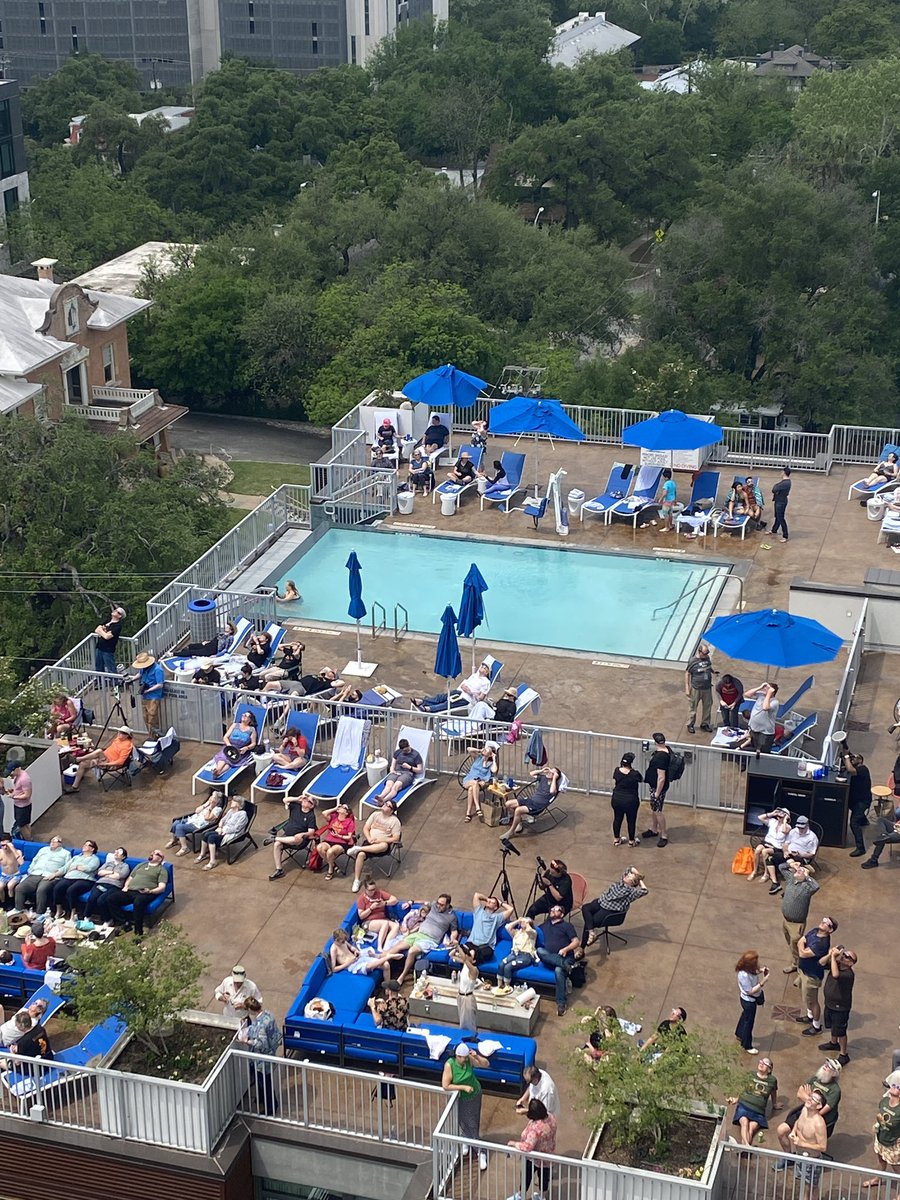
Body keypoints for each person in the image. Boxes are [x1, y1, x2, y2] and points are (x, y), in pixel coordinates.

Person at [93, 849, 168, 936]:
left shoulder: (161, 870)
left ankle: (138, 932)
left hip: (145, 892)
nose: (153, 853)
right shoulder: (141, 865)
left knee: (138, 903)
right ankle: (124, 922)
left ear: (160, 859)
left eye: (156, 854)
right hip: (130, 891)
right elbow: (130, 878)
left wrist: (150, 891)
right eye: (153, 852)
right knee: (111, 899)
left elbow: (162, 887)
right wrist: (126, 886)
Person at [442, 1043, 491, 1170]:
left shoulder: (469, 1059)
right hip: (461, 1097)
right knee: (461, 1120)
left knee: (473, 1123)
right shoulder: (450, 1065)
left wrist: (477, 1057)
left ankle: (480, 1151)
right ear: (457, 1056)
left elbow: (486, 1064)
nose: (464, 1060)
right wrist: (463, 1087)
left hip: (474, 1095)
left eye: (465, 1057)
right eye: (462, 1058)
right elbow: (446, 1085)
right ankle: (466, 1139)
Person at [775, 1060, 842, 1151]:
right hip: (806, 1110)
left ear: (834, 1073)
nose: (826, 1066)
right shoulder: (815, 1078)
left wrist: (809, 1097)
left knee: (802, 1136)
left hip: (820, 1117)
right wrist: (811, 1100)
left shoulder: (835, 1090)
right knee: (781, 1131)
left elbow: (822, 1110)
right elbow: (799, 1093)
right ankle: (788, 1157)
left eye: (830, 1066)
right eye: (826, 1063)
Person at [396, 893, 459, 984]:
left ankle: (401, 977)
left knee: (411, 951)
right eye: (438, 903)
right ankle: (380, 964)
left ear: (448, 905)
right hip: (418, 934)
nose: (438, 905)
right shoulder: (433, 905)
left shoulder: (451, 917)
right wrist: (411, 902)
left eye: (441, 905)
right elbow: (424, 902)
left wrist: (453, 939)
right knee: (396, 947)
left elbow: (454, 931)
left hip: (430, 939)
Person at [581, 866, 648, 949]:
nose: (627, 875)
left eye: (629, 877)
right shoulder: (621, 882)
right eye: (628, 875)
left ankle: (581, 949)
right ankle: (591, 933)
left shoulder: (631, 892)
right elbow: (630, 868)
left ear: (632, 883)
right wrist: (638, 874)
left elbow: (645, 891)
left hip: (608, 910)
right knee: (585, 908)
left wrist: (639, 879)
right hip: (601, 902)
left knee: (590, 922)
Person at [238, 995, 282, 1116]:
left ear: (251, 1010)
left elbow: (261, 1043)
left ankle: (271, 1107)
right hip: (270, 1054)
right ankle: (262, 1098)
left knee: (265, 1082)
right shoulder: (268, 1014)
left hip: (262, 1058)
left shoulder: (260, 1025)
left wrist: (246, 1041)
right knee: (261, 1080)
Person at [796, 916, 838, 1038]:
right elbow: (801, 941)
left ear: (830, 930)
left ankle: (816, 1026)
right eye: (823, 921)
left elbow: (802, 953)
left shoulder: (822, 943)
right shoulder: (815, 931)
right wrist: (802, 945)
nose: (823, 923)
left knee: (812, 1001)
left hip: (812, 976)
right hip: (804, 971)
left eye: (827, 924)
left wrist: (802, 946)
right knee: (807, 998)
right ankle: (810, 1016)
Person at [507, 1097, 557, 1198]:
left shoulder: (535, 1129)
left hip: (533, 1158)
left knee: (526, 1176)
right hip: (547, 1156)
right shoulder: (551, 1117)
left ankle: (520, 1196)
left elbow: (527, 1147)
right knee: (544, 1177)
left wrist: (514, 1144)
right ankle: (542, 1196)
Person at [348, 799, 401, 890]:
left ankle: (358, 848)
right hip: (369, 842)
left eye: (388, 806)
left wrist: (380, 840)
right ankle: (356, 880)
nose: (385, 805)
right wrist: (369, 838)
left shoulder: (395, 821)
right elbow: (366, 828)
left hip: (381, 845)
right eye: (385, 803)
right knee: (360, 855)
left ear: (392, 810)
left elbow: (396, 838)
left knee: (383, 846)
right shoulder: (375, 814)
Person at [63, 725, 135, 793]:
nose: (120, 734)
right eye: (120, 732)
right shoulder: (118, 739)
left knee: (99, 751)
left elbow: (120, 762)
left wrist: (106, 763)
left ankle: (78, 759)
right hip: (103, 758)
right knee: (83, 764)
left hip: (110, 764)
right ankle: (75, 787)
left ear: (127, 735)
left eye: (123, 733)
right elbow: (110, 750)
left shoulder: (127, 746)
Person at [11, 836, 72, 915]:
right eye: (51, 841)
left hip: (51, 876)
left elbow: (66, 867)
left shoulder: (66, 853)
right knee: (20, 888)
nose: (52, 842)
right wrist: (30, 871)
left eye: (55, 841)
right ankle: (19, 909)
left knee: (41, 890)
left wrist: (55, 874)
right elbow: (34, 860)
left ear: (60, 844)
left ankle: (40, 913)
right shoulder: (43, 850)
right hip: (35, 873)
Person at [538, 904, 580, 1017]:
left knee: (558, 970)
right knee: (540, 950)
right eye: (551, 909)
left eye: (555, 910)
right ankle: (566, 966)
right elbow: (532, 930)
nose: (552, 910)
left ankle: (561, 1003)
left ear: (561, 914)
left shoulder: (567, 926)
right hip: (548, 957)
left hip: (565, 957)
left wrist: (566, 949)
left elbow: (576, 942)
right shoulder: (544, 925)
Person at [778, 859, 820, 969]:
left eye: (803, 871)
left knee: (796, 946)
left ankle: (796, 965)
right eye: (799, 869)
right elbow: (781, 867)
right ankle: (795, 959)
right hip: (786, 920)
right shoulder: (791, 879)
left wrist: (807, 876)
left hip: (796, 924)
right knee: (790, 943)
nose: (799, 870)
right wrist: (791, 864)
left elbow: (816, 886)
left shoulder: (807, 887)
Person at [730, 1056, 780, 1147]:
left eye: (765, 1063)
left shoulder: (772, 1080)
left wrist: (775, 1104)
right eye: (761, 1061)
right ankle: (747, 1146)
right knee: (744, 1122)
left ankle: (743, 1148)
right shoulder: (750, 1075)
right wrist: (736, 1099)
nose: (761, 1063)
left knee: (751, 1128)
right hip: (744, 1106)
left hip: (758, 1111)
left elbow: (773, 1092)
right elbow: (742, 1089)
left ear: (769, 1070)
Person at [819, 944, 857, 1065]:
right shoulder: (837, 965)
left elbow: (835, 975)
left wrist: (834, 958)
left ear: (851, 963)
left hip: (840, 1008)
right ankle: (833, 1043)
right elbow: (821, 962)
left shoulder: (848, 974)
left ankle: (843, 1054)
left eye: (847, 957)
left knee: (840, 1031)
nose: (844, 956)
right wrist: (830, 955)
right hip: (829, 1003)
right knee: (832, 1026)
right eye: (844, 954)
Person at [266, 794, 318, 879]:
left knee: (297, 838)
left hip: (300, 841)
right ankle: (279, 870)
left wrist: (302, 834)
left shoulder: (311, 816)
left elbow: (311, 831)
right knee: (277, 845)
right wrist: (297, 798)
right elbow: (285, 800)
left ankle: (274, 838)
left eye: (308, 801)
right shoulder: (296, 806)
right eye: (305, 798)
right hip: (287, 837)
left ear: (311, 806)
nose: (305, 800)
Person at [503, 765, 561, 837]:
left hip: (537, 806)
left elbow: (552, 791)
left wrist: (554, 778)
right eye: (550, 770)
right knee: (508, 804)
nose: (549, 772)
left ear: (556, 776)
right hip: (531, 800)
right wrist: (542, 770)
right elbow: (531, 773)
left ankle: (511, 832)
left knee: (518, 810)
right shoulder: (543, 778)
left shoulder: (555, 786)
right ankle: (519, 822)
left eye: (552, 772)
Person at [194, 795, 249, 871]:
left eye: (233, 801)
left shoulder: (243, 815)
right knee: (205, 834)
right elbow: (223, 820)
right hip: (222, 830)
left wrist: (223, 830)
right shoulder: (230, 811)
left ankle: (212, 861)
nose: (231, 802)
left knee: (211, 838)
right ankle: (202, 854)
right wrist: (220, 827)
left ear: (238, 804)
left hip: (231, 834)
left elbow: (237, 828)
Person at [49, 839, 100, 919]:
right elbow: (65, 868)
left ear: (92, 849)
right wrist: (54, 874)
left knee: (71, 890)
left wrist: (76, 867)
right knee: (57, 888)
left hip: (85, 879)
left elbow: (89, 868)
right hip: (70, 877)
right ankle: (59, 910)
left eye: (87, 845)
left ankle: (73, 913)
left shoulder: (94, 859)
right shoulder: (76, 857)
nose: (84, 846)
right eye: (84, 844)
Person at [414, 662, 493, 714]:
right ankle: (422, 701)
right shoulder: (474, 675)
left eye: (484, 668)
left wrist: (470, 692)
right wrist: (463, 686)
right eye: (482, 666)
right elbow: (465, 683)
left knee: (448, 704)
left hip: (467, 699)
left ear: (487, 672)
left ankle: (428, 708)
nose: (482, 667)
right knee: (442, 697)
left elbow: (480, 699)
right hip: (460, 691)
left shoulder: (486, 682)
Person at [165, 792, 224, 858]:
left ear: (217, 800)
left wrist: (210, 807)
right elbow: (196, 811)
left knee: (179, 827)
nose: (211, 798)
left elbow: (207, 818)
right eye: (211, 796)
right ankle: (174, 840)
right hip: (192, 819)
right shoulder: (207, 804)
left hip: (198, 825)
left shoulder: (217, 809)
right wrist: (206, 804)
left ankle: (184, 848)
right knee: (176, 822)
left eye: (213, 797)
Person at [867, 1070, 900, 1187]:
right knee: (881, 1161)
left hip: (893, 1144)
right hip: (881, 1138)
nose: (893, 1087)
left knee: (897, 1170)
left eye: (897, 1087)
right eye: (894, 1085)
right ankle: (878, 1179)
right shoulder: (884, 1101)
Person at [79, 847, 130, 920]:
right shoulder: (108, 863)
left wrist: (106, 874)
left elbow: (120, 876)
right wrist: (111, 872)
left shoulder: (125, 866)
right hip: (101, 883)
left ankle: (107, 920)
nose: (116, 853)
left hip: (114, 886)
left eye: (119, 852)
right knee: (92, 898)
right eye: (116, 851)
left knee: (101, 900)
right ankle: (87, 917)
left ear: (123, 857)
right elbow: (99, 872)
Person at [463, 891, 514, 963]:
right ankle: (469, 959)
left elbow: (511, 909)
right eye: (489, 901)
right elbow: (476, 895)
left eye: (492, 902)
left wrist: (501, 904)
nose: (489, 902)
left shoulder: (497, 917)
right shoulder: (479, 912)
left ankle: (469, 959)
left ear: (496, 907)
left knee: (476, 954)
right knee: (459, 951)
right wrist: (487, 899)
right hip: (471, 943)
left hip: (485, 947)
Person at [735, 949, 769, 1054]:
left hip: (749, 1000)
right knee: (749, 1022)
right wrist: (762, 982)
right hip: (749, 1000)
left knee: (745, 1016)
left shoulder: (749, 970)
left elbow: (754, 972)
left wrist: (761, 970)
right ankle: (747, 1045)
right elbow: (750, 991)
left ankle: (740, 1033)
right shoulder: (743, 975)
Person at [493, 916, 538, 994]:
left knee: (508, 967)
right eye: (522, 922)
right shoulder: (517, 932)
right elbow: (507, 927)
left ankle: (506, 989)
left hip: (526, 955)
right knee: (501, 965)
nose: (523, 923)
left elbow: (529, 930)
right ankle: (499, 987)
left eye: (525, 922)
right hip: (514, 954)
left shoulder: (532, 934)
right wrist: (518, 921)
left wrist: (527, 923)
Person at [643, 732, 672, 847]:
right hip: (657, 787)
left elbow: (661, 778)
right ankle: (654, 829)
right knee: (654, 808)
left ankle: (663, 834)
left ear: (655, 742)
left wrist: (656, 793)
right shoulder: (667, 750)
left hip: (658, 788)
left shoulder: (661, 757)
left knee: (658, 811)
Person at [355, 877, 400, 951]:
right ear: (366, 889)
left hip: (382, 919)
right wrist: (371, 908)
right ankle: (380, 947)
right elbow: (361, 916)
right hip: (369, 922)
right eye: (371, 890)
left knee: (396, 926)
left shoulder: (379, 893)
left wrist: (384, 903)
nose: (373, 891)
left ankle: (386, 947)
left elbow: (395, 900)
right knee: (385, 923)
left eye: (374, 889)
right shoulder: (361, 899)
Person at [209, 710, 258, 779]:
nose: (244, 716)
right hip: (229, 747)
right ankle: (218, 770)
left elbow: (253, 743)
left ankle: (218, 771)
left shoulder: (252, 730)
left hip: (239, 751)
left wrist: (246, 748)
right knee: (224, 757)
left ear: (250, 720)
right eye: (243, 714)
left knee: (231, 760)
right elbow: (225, 737)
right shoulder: (235, 725)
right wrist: (229, 745)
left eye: (246, 716)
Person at [314, 803, 356, 880]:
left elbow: (349, 837)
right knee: (319, 847)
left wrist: (339, 836)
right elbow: (324, 813)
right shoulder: (333, 817)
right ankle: (333, 865)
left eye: (343, 807)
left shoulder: (349, 822)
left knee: (330, 852)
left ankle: (330, 869)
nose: (341, 807)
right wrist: (335, 808)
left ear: (346, 813)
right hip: (329, 840)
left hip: (342, 842)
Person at [128, 651, 165, 738]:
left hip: (153, 696)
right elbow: (140, 674)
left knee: (152, 718)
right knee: (146, 717)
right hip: (145, 696)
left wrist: (148, 690)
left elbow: (160, 684)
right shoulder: (144, 668)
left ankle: (154, 736)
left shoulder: (158, 669)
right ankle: (150, 735)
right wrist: (132, 679)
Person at [748, 808, 791, 882]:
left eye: (782, 816)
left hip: (777, 846)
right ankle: (755, 871)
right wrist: (772, 814)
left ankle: (766, 873)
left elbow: (784, 831)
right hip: (767, 842)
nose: (779, 817)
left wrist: (784, 821)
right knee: (757, 850)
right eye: (779, 815)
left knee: (765, 851)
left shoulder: (788, 827)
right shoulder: (772, 822)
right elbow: (760, 817)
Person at [843, 751, 873, 857]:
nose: (852, 759)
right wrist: (845, 752)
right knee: (851, 807)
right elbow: (847, 758)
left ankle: (861, 848)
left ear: (860, 760)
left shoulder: (863, 769)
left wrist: (846, 757)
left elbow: (850, 769)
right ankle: (864, 821)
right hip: (855, 800)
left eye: (855, 758)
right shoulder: (857, 768)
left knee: (854, 823)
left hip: (863, 801)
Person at [610, 752, 643, 846]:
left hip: (617, 799)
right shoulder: (634, 774)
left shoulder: (617, 771)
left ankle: (616, 839)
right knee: (631, 820)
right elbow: (641, 779)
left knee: (617, 819)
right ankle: (631, 841)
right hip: (630, 801)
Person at [379, 739, 424, 804]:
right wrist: (392, 770)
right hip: (396, 772)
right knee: (389, 785)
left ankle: (384, 800)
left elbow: (420, 770)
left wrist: (409, 767)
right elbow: (392, 765)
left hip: (408, 773)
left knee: (396, 786)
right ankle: (381, 796)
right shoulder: (398, 752)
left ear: (409, 746)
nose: (406, 752)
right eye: (404, 751)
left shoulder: (416, 755)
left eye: (407, 750)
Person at [462, 744, 499, 821]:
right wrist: (479, 750)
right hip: (469, 780)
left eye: (487, 750)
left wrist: (494, 758)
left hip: (479, 783)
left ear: (490, 754)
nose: (484, 750)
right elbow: (468, 748)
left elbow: (494, 770)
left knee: (471, 789)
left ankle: (468, 813)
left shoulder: (490, 764)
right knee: (474, 783)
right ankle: (477, 807)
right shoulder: (478, 757)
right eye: (484, 749)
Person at [741, 681, 779, 753]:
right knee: (754, 749)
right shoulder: (761, 695)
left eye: (767, 689)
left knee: (763, 752)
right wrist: (760, 687)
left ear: (772, 692)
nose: (764, 689)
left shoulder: (775, 702)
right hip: (754, 729)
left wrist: (768, 694)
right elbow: (747, 694)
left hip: (765, 733)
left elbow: (765, 707)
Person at [452, 941, 480, 1031]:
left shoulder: (474, 970)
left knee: (469, 1024)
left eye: (470, 955)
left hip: (467, 998)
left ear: (474, 960)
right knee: (462, 1022)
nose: (467, 956)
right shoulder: (464, 964)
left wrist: (458, 946)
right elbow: (451, 955)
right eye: (467, 954)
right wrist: (455, 947)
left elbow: (464, 959)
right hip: (460, 996)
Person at [94, 603, 125, 675]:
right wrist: (103, 632)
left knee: (111, 668)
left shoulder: (117, 626)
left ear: (120, 616)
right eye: (115, 610)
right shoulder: (108, 621)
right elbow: (97, 629)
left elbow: (107, 637)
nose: (115, 611)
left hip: (108, 650)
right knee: (98, 667)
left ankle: (115, 684)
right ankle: (99, 683)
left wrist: (102, 631)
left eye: (117, 612)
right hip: (99, 647)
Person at [6, 762, 34, 838]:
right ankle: (29, 838)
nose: (11, 773)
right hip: (19, 805)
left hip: (23, 806)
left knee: (22, 826)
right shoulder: (17, 776)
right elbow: (19, 789)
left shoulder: (24, 779)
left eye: (12, 771)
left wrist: (14, 797)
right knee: (25, 824)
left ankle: (28, 840)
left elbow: (27, 795)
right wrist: (13, 791)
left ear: (17, 769)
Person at [0, 836, 24, 908]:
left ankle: (11, 903)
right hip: (4, 875)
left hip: (15, 875)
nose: (5, 847)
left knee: (10, 886)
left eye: (6, 845)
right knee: (0, 887)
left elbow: (21, 862)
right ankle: (3, 903)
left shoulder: (17, 851)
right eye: (2, 845)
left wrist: (13, 849)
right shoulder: (0, 852)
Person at [771, 466, 791, 543]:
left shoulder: (785, 483)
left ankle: (785, 535)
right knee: (777, 517)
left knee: (781, 518)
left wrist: (776, 487)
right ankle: (774, 530)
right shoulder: (785, 482)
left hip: (781, 502)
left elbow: (774, 489)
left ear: (784, 473)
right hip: (779, 500)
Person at [659, 467, 677, 532]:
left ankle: (666, 527)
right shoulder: (673, 482)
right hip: (672, 501)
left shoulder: (666, 484)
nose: (663, 478)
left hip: (667, 501)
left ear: (666, 477)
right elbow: (675, 492)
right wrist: (675, 500)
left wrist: (660, 499)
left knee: (665, 514)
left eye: (664, 477)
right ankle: (671, 525)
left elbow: (665, 493)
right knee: (670, 513)